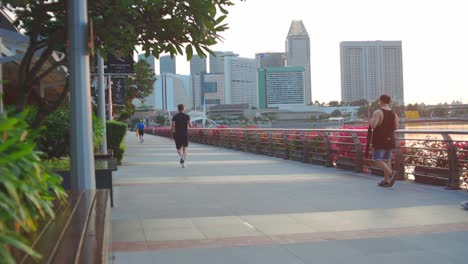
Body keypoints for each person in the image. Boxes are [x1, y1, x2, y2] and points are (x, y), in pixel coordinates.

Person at [368, 94, 399, 187]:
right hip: (390, 139)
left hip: (380, 139)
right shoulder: (394, 114)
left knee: (377, 159)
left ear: (381, 101)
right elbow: (396, 127)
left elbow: (373, 126)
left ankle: (391, 173)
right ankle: (386, 181)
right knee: (386, 160)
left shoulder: (378, 112)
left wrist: (369, 116)